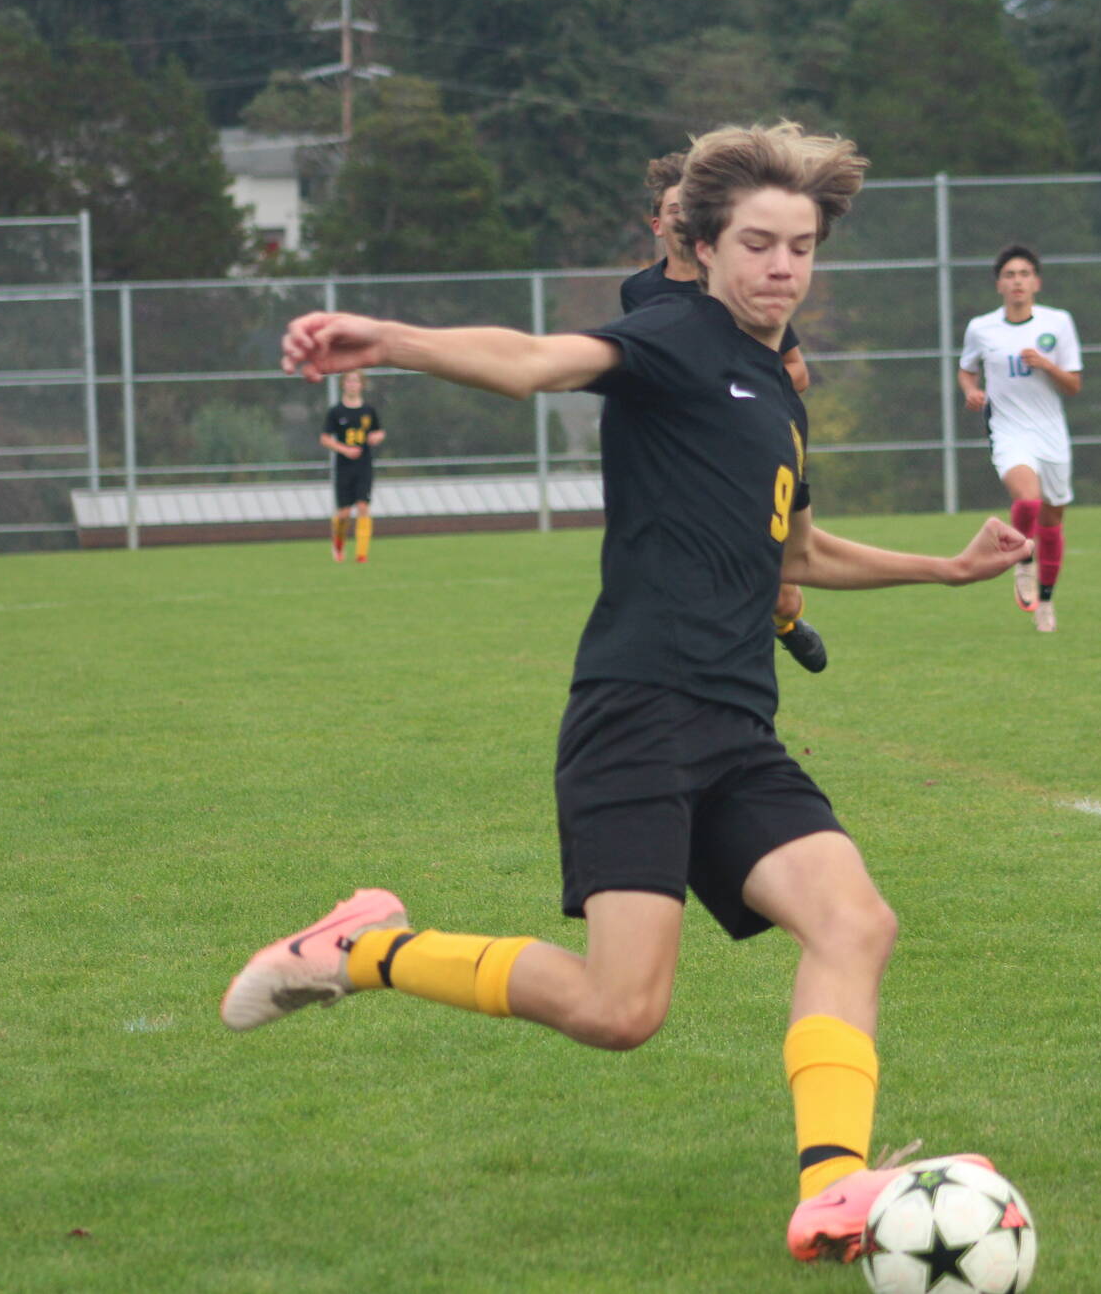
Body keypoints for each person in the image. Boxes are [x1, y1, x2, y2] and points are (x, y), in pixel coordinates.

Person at [226, 121, 1031, 1265]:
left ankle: (831, 1192)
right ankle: (364, 949)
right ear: (701, 247)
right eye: (756, 243)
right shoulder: (672, 337)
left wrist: (944, 567)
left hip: (736, 723)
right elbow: (534, 361)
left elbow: (793, 554)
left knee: (856, 922)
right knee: (620, 1012)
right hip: (639, 711)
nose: (780, 268)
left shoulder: (774, 386)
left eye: (799, 248)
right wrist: (387, 339)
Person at [624, 150, 828, 673]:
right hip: (692, 459)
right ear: (660, 222)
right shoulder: (641, 293)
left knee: (784, 591)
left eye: (684, 208)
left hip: (756, 437)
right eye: (670, 208)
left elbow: (796, 373)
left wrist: (744, 391)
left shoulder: (742, 289)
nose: (677, 216)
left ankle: (784, 624)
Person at [957, 246, 1084, 633]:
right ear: (999, 284)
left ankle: (1045, 600)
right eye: (1010, 274)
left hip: (1050, 434)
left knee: (1052, 520)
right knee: (1027, 499)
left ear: (1036, 283)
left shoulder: (1058, 323)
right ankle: (1022, 562)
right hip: (1009, 432)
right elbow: (966, 370)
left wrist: (1047, 365)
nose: (1017, 281)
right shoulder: (982, 328)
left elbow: (1074, 385)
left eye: (1025, 273)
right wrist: (971, 392)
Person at [321, 370, 384, 562]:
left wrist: (377, 437)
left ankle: (361, 554)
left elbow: (378, 432)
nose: (352, 384)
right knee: (345, 512)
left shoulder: (369, 411)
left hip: (364, 465)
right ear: (343, 384)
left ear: (361, 385)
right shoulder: (336, 412)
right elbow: (324, 439)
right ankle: (338, 545)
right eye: (349, 381)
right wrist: (344, 449)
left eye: (356, 381)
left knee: (363, 506)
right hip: (344, 467)